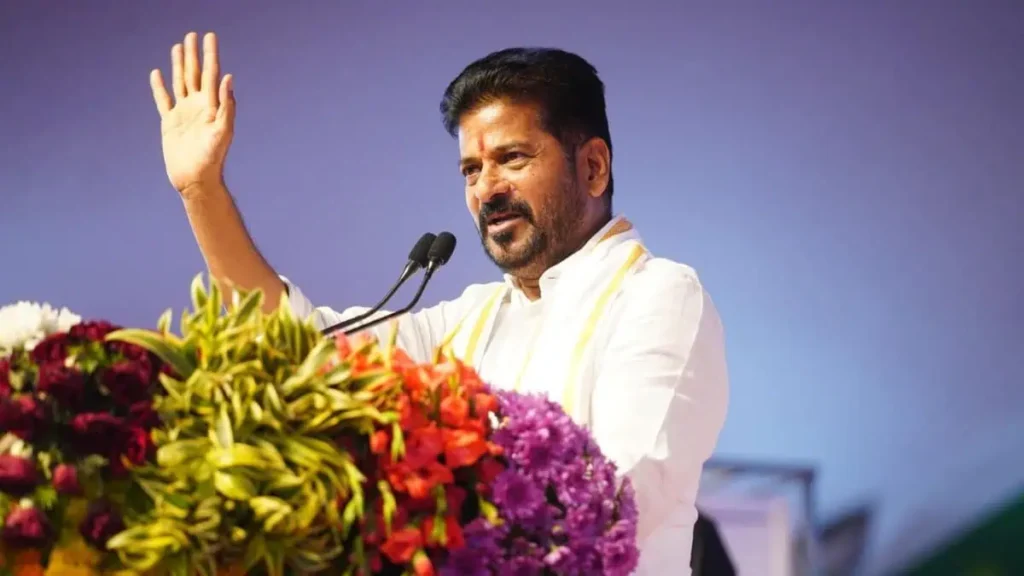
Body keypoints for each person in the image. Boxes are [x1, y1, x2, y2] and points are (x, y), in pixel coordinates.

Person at [150, 31, 729, 574]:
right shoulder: (469, 320)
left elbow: (614, 503)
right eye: (471, 169)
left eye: (513, 158)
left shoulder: (657, 296)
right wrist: (202, 191)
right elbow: (303, 347)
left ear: (593, 167)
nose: (487, 189)